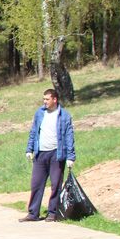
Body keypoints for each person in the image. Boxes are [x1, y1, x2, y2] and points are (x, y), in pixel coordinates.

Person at [20, 88, 76, 222]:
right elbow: (33, 132)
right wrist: (29, 149)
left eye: (47, 99)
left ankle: (52, 212)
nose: (44, 101)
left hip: (56, 154)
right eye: (44, 99)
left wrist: (70, 157)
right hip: (40, 154)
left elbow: (69, 136)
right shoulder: (40, 113)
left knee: (56, 184)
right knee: (36, 184)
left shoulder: (64, 116)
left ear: (54, 99)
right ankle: (33, 213)